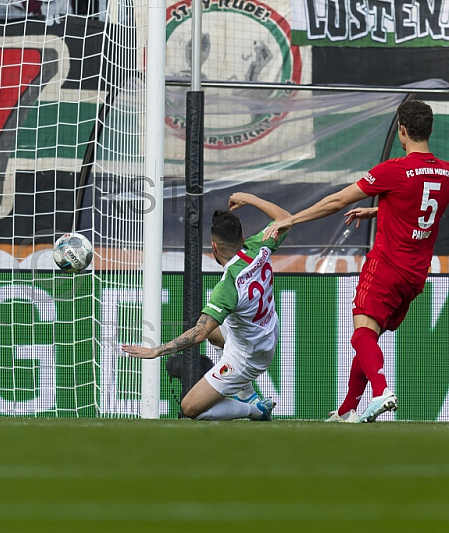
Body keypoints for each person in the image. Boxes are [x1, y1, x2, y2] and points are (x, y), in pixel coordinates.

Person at [264, 100, 449, 423]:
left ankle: (381, 392)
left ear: (402, 131)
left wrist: (291, 220)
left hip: (386, 267)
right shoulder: (445, 172)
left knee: (362, 333)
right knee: (370, 334)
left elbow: (336, 201)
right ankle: (348, 408)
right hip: (416, 274)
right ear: (429, 131)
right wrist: (381, 209)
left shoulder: (394, 169)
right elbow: (422, 205)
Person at [122, 192, 289, 421]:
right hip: (267, 331)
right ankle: (248, 395)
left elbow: (198, 333)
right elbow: (285, 217)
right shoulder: (260, 245)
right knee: (215, 334)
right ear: (242, 238)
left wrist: (156, 350)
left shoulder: (228, 286)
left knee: (190, 409)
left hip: (248, 356)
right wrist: (249, 199)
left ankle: (255, 410)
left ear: (214, 247)